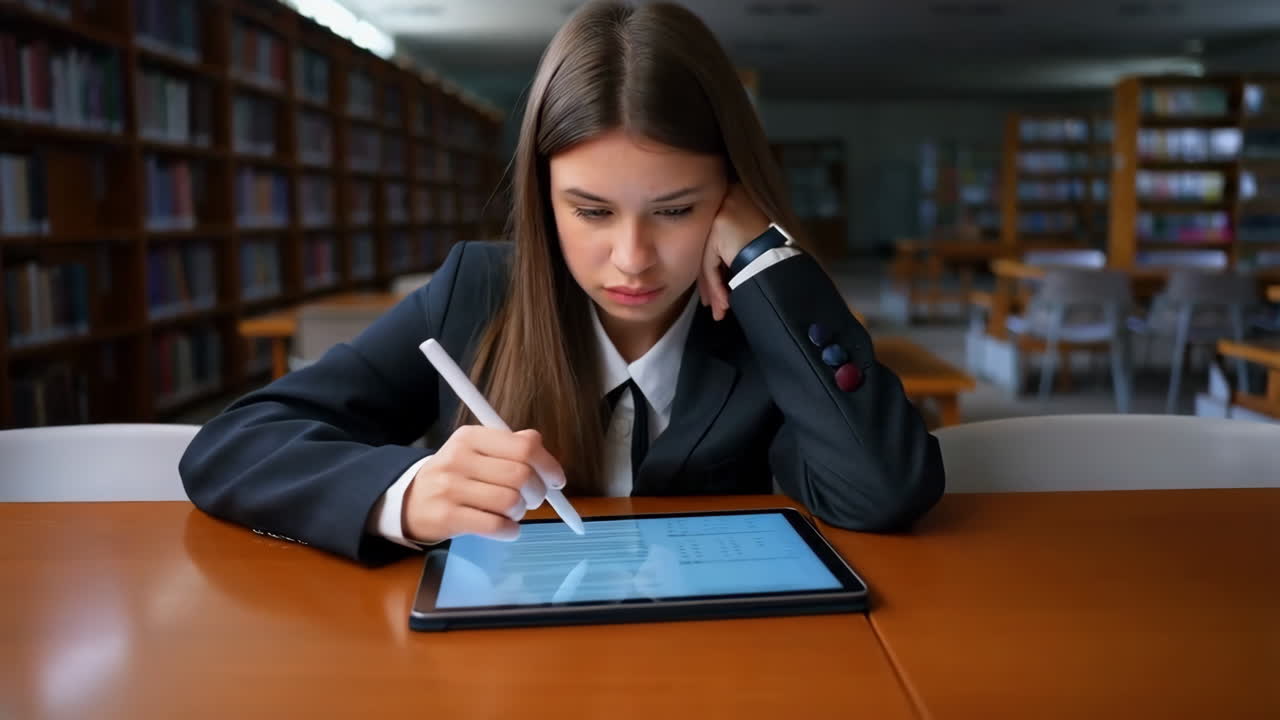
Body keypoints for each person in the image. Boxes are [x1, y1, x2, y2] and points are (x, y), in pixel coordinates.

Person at [180, 0, 945, 566]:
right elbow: (233, 446)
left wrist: (767, 263)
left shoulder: (762, 323)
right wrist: (404, 495)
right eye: (591, 211)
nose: (632, 259)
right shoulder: (476, 291)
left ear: (732, 197)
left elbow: (884, 492)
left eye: (676, 210)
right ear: (543, 202)